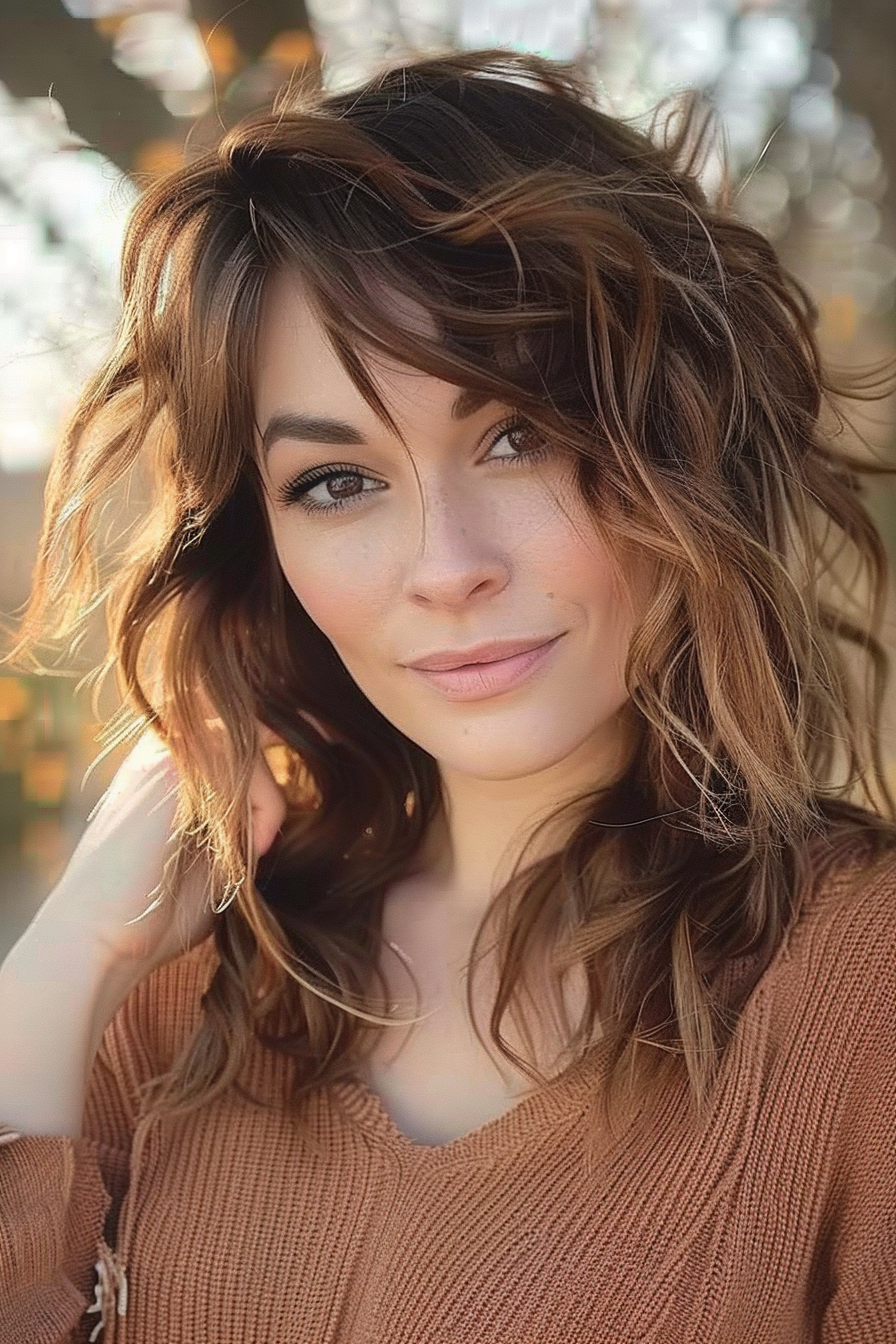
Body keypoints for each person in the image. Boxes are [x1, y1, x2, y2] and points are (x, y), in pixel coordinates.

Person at [1, 46, 895, 1344]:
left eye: (518, 435)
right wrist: (63, 958)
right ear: (268, 540)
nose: (448, 569)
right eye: (338, 482)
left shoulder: (861, 986)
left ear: (676, 446)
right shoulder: (202, 979)